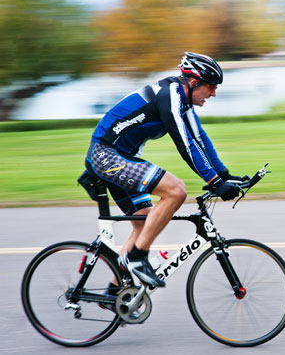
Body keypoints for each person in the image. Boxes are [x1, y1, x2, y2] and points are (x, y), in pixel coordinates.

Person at [85, 52, 244, 289]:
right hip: (106, 156)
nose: (213, 93)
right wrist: (213, 182)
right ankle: (137, 257)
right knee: (176, 191)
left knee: (146, 221)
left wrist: (223, 174)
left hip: (120, 157)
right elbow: (186, 144)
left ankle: (115, 290)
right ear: (193, 82)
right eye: (210, 86)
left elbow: (199, 137)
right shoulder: (169, 96)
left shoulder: (182, 99)